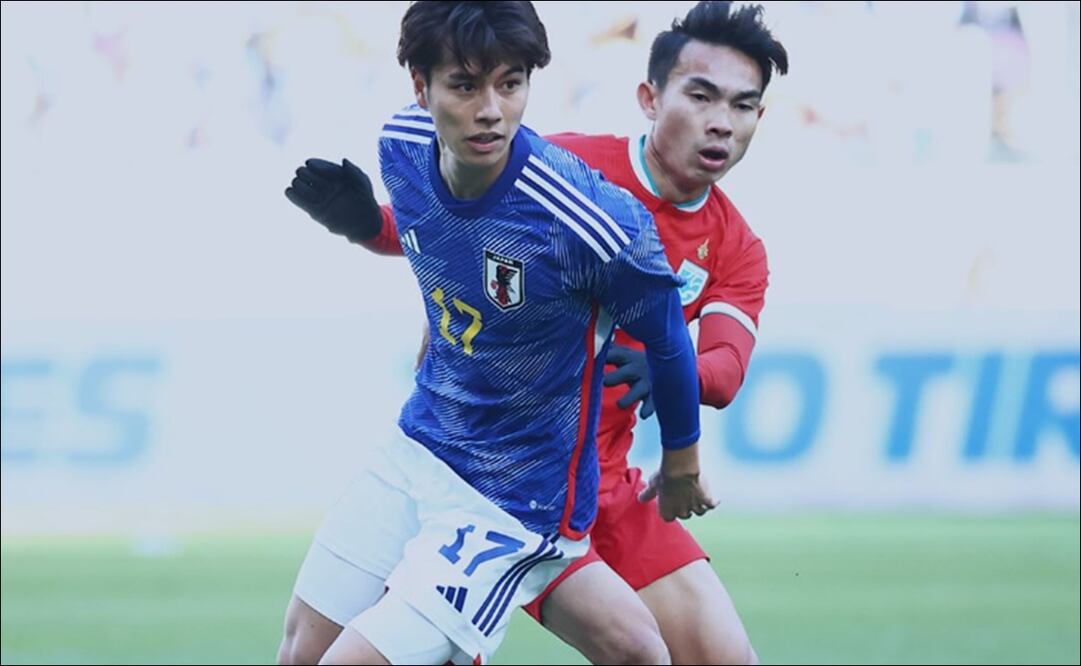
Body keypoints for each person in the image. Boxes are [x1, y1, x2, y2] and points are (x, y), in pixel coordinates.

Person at [295, 2, 789, 663]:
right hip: (491, 457)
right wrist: (370, 228)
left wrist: (681, 382)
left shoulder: (732, 247)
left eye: (743, 106)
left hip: (598, 480)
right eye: (700, 96)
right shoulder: (568, 173)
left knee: (709, 657)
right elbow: (460, 240)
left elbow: (722, 370)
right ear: (650, 97)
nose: (720, 123)